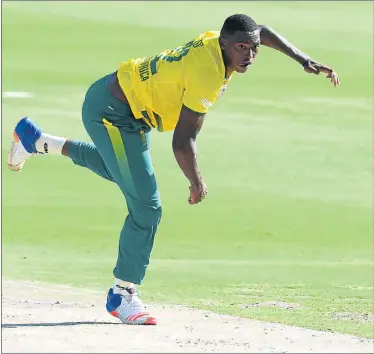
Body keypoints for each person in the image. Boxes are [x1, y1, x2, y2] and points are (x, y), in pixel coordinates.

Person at [7, 14, 340, 325]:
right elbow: (183, 142)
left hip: (126, 110)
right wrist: (197, 182)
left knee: (126, 176)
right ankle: (121, 294)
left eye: (253, 48)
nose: (250, 54)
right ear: (224, 43)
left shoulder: (218, 41)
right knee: (147, 207)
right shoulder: (207, 74)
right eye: (241, 47)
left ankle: (36, 141)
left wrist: (302, 59)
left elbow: (261, 32)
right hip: (112, 113)